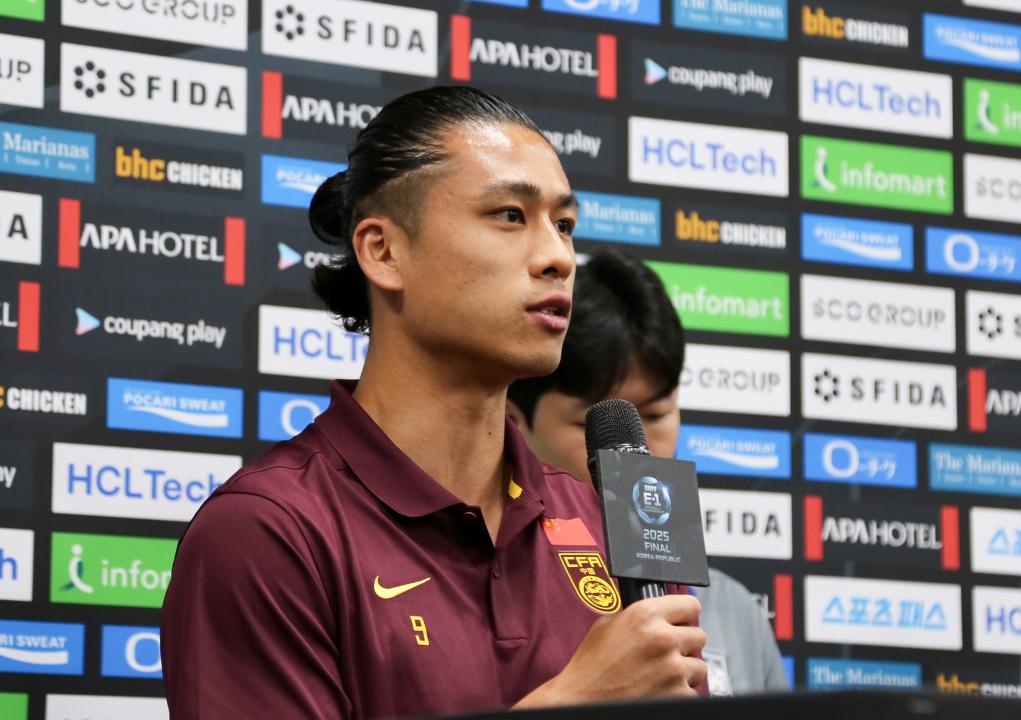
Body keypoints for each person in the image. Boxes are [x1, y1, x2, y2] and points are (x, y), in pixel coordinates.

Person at [160, 87, 707, 719]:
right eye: (510, 215)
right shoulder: (266, 531)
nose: (558, 257)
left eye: (563, 225)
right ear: (383, 251)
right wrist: (575, 704)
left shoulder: (610, 520)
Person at [507, 249, 789, 696]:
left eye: (655, 416)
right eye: (594, 425)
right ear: (514, 422)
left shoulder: (735, 612)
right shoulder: (494, 596)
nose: (633, 454)